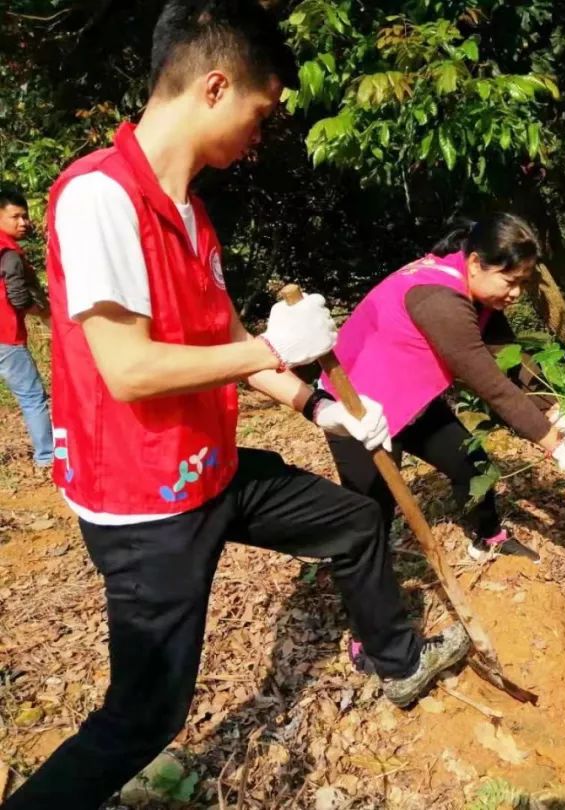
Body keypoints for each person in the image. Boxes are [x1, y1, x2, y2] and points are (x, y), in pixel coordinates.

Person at [3, 3, 469, 808]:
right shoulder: (97, 197)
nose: (261, 136)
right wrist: (273, 349)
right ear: (216, 87)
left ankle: (395, 662)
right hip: (146, 506)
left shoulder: (191, 215)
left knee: (357, 523)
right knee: (144, 717)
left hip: (209, 469)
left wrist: (319, 406)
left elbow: (227, 335)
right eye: (261, 112)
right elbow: (129, 368)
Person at [322, 213, 565, 572]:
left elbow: (506, 355)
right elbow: (492, 386)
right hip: (356, 404)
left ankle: (489, 540)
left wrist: (555, 410)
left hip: (411, 398)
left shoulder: (474, 287)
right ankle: (367, 599)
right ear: (476, 263)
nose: (516, 292)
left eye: (523, 282)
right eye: (510, 280)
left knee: (473, 466)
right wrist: (557, 445)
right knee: (368, 511)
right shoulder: (441, 301)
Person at [0, 186, 54, 467]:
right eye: (15, 217)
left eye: (25, 216)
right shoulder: (9, 253)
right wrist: (45, 313)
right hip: (5, 336)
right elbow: (18, 297)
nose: (23, 223)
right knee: (33, 396)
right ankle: (47, 455)